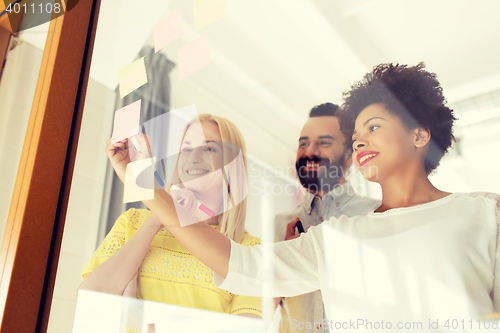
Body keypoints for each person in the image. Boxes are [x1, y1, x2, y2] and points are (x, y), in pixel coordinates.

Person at [106, 63, 500, 330]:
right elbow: (239, 264)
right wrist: (140, 180)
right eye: (358, 134)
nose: (361, 140)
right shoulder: (339, 236)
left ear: (420, 133)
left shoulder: (483, 212)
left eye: (374, 126)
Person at [78, 114, 262, 320]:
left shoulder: (249, 250)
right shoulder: (132, 222)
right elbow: (90, 302)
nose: (193, 156)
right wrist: (160, 216)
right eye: (186, 149)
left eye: (209, 148)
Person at [274, 103, 379, 333]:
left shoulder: (378, 215)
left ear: (350, 155)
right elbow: (257, 309)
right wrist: (285, 261)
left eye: (324, 142)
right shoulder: (278, 226)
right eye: (304, 143)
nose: (310, 151)